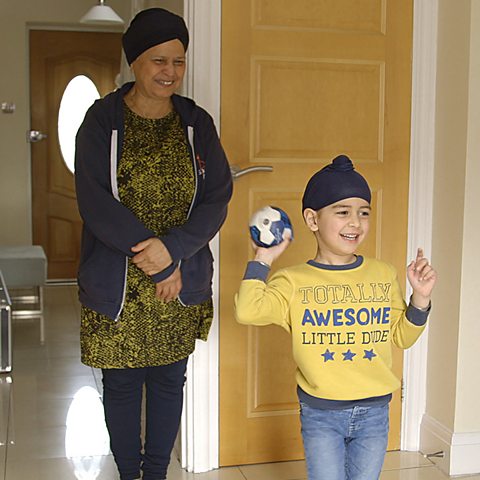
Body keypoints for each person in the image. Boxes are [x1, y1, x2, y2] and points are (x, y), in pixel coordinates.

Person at [74, 8, 232, 480]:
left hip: (178, 280)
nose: (169, 72)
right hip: (119, 283)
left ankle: (157, 473)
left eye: (178, 62)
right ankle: (129, 474)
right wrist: (156, 258)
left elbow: (217, 196)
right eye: (158, 60)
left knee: (168, 381)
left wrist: (175, 250)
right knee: (121, 386)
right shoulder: (102, 120)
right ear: (135, 62)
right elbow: (94, 200)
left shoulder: (195, 122)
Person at [234, 154, 436, 480]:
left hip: (374, 410)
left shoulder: (382, 273)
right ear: (312, 219)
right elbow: (247, 310)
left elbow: (402, 337)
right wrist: (264, 258)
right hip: (321, 413)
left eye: (363, 213)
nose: (355, 222)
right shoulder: (293, 281)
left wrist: (420, 298)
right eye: (343, 212)